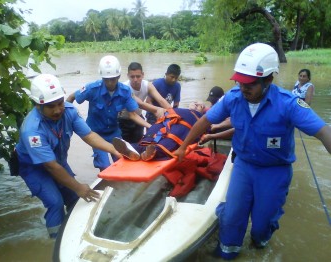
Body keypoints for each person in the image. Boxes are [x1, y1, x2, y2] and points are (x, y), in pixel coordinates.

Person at [174, 43, 331, 260]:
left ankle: (259, 239)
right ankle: (227, 246)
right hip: (244, 166)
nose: (243, 87)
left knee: (261, 228)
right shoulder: (233, 98)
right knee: (231, 221)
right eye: (239, 81)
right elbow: (205, 121)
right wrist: (183, 147)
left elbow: (324, 131)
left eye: (250, 83)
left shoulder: (289, 104)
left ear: (268, 79)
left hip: (274, 170)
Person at [16, 74, 122, 238]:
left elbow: (89, 135)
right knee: (55, 202)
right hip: (34, 167)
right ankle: (55, 240)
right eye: (51, 106)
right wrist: (79, 186)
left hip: (57, 161)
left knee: (74, 198)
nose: (58, 109)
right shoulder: (32, 130)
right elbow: (50, 166)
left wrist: (114, 150)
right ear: (37, 105)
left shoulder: (69, 111)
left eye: (60, 103)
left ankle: (76, 234)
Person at [66, 55, 151, 170]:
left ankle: (122, 183)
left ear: (119, 76)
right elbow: (71, 97)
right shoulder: (92, 88)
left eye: (113, 79)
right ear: (102, 77)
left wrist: (150, 126)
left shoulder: (125, 91)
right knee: (105, 165)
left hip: (114, 133)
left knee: (123, 160)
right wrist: (69, 117)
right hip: (95, 134)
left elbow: (133, 114)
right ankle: (106, 181)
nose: (110, 82)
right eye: (107, 79)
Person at [113, 101, 206, 161]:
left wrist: (199, 113)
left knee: (171, 137)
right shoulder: (177, 109)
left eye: (199, 105)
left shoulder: (202, 119)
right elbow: (157, 109)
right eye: (195, 103)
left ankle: (151, 152)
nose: (196, 105)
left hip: (181, 126)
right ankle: (135, 149)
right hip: (165, 122)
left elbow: (207, 128)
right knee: (149, 138)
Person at [119, 62, 172, 143]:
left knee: (139, 145)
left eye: (138, 76)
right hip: (124, 121)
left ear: (143, 75)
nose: (135, 80)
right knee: (125, 148)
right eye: (132, 77)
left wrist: (174, 113)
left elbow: (161, 100)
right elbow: (140, 104)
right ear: (127, 76)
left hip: (139, 118)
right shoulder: (124, 88)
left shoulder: (147, 85)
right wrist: (158, 110)